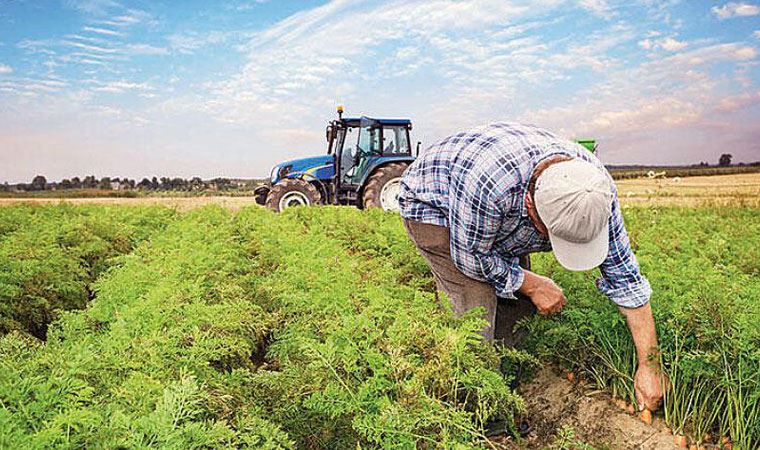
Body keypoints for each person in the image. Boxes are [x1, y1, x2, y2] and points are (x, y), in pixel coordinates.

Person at [398, 122, 666, 412]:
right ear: (530, 205)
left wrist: (650, 365)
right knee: (475, 310)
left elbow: (626, 279)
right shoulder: (490, 187)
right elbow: (471, 258)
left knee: (518, 304)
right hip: (436, 207)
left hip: (494, 212)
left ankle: (507, 380)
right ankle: (477, 409)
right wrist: (533, 283)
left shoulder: (594, 191)